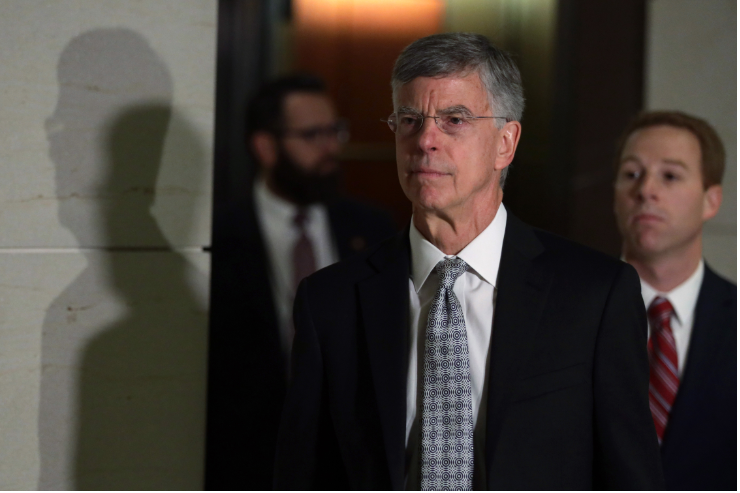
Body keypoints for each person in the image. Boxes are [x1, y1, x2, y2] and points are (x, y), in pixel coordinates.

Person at [274, 33, 662, 490]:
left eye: (454, 120)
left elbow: (631, 478)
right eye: (410, 120)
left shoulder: (595, 295)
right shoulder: (330, 302)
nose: (425, 140)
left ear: (505, 143)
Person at [205, 74, 396, 490]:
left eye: (334, 130)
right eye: (312, 135)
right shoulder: (217, 238)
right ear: (266, 147)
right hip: (248, 464)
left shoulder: (374, 230)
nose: (331, 147)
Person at [613, 111, 736, 491]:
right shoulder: (568, 314)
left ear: (711, 200)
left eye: (670, 176)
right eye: (632, 173)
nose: (646, 190)